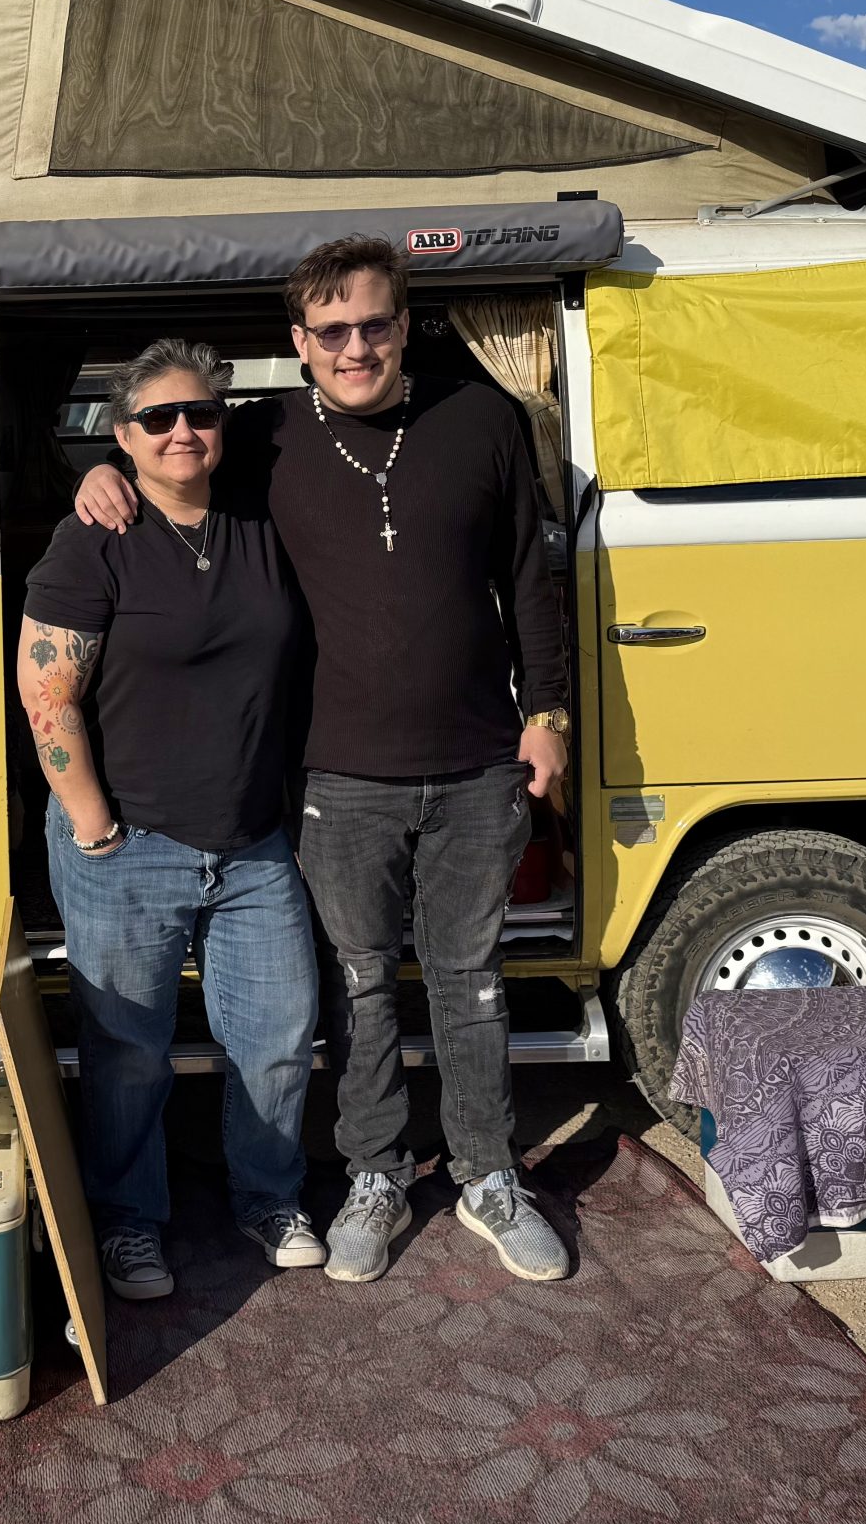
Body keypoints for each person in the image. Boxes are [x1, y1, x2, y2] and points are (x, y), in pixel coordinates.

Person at [76, 236, 573, 1284]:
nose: (356, 347)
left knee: (471, 979)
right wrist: (98, 475)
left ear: (403, 324)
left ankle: (489, 1174)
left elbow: (530, 574)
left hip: (480, 765)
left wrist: (550, 716)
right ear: (300, 344)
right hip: (337, 775)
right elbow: (171, 447)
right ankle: (375, 1177)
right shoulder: (264, 435)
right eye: (332, 331)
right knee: (357, 989)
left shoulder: (481, 418)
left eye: (374, 325)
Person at [20, 338, 325, 1301]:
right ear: (123, 436)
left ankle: (268, 1197)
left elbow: (346, 403)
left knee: (278, 1035)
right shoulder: (94, 539)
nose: (183, 430)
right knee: (127, 1054)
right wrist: (96, 829)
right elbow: (48, 698)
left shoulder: (264, 516)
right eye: (156, 420)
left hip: (252, 842)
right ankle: (128, 1221)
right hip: (127, 842)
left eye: (200, 413)